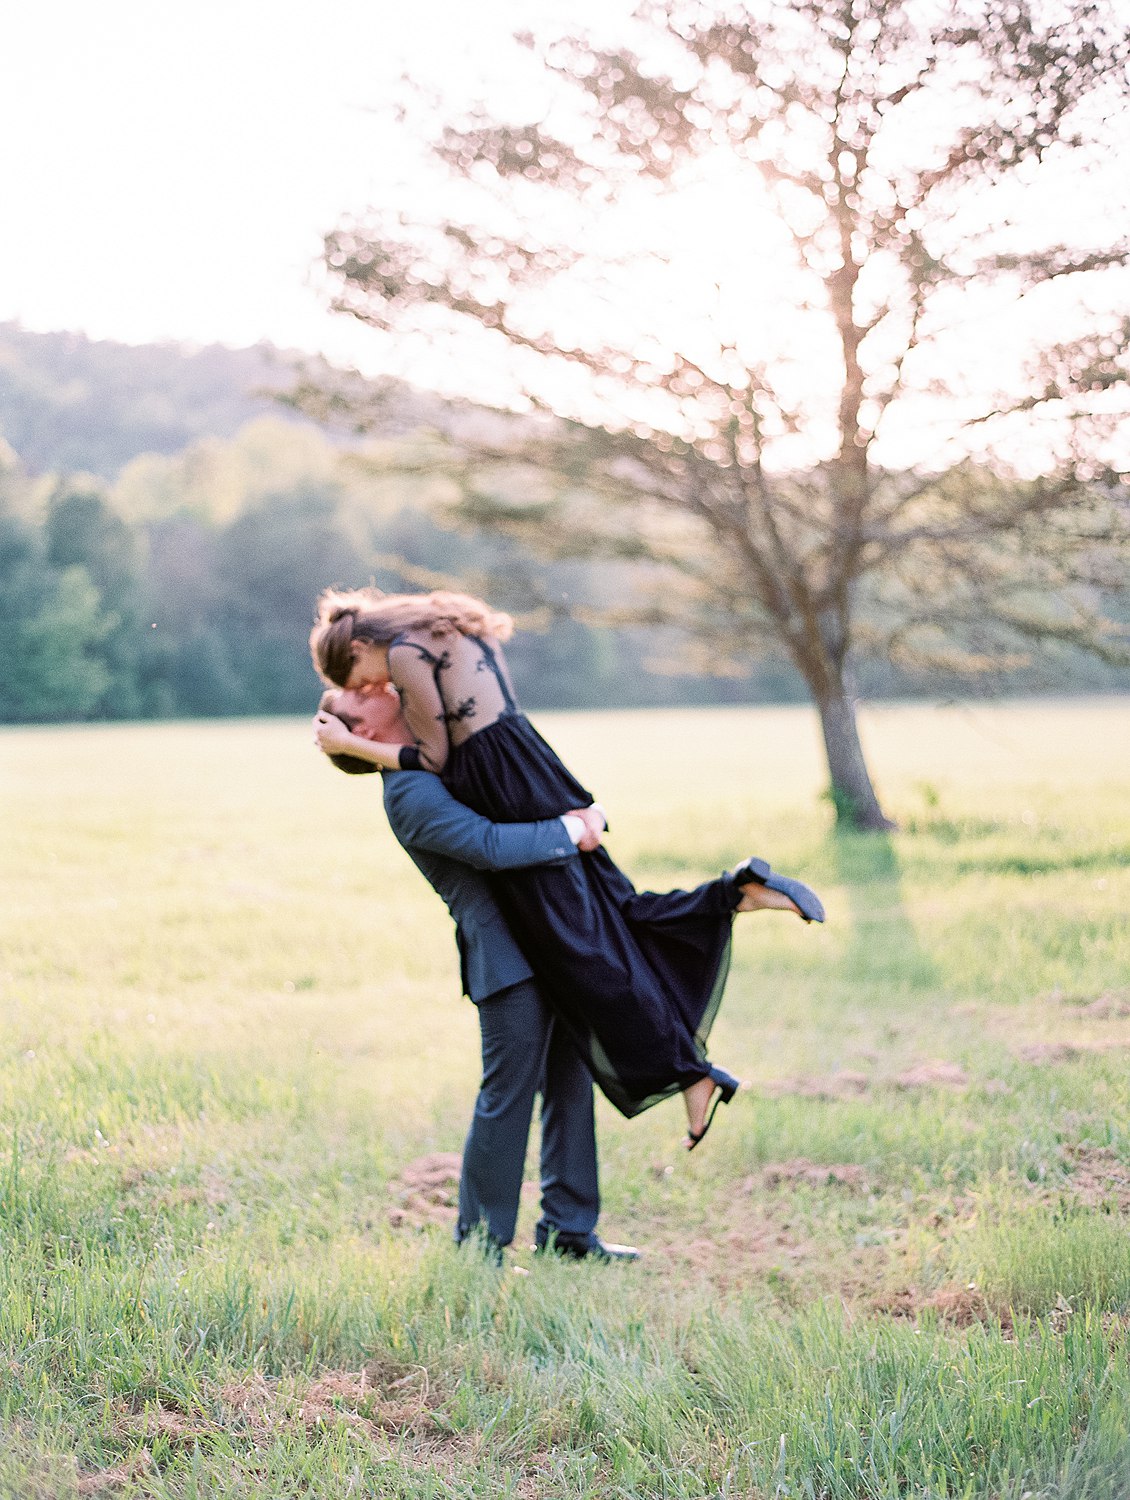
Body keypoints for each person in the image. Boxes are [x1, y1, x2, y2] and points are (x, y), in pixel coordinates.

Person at [311, 587, 824, 1150]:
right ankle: (734, 896)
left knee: (588, 949)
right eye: (360, 691)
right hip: (534, 771)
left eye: (358, 677)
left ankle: (690, 1066)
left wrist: (354, 749)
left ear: (363, 642)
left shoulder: (407, 653)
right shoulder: (448, 627)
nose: (372, 688)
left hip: (505, 791)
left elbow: (436, 758)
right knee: (615, 913)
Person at [320, 683, 637, 1262]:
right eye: (357, 695)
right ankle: (479, 1249)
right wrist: (573, 829)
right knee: (507, 1098)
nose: (374, 686)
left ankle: (570, 1234)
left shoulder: (430, 756)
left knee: (571, 1083)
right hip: (507, 961)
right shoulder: (409, 793)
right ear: (360, 732)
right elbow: (489, 845)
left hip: (552, 942)